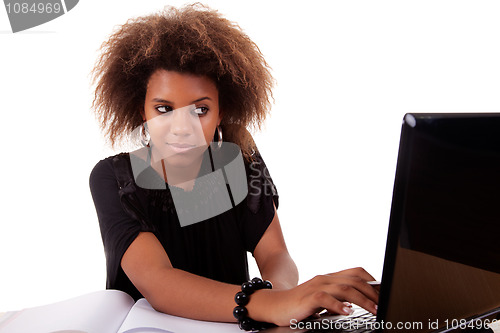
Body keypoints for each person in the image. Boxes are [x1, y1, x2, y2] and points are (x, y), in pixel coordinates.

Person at [89, 4, 378, 330]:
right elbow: (159, 282)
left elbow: (275, 256)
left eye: (200, 110)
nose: (182, 127)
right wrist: (271, 304)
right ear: (142, 110)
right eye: (163, 108)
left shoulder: (240, 161)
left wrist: (283, 298)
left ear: (222, 111)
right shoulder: (115, 178)